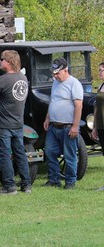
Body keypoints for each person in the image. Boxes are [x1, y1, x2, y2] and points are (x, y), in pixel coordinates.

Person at [0, 50, 31, 195]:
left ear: (9, 62)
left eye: (2, 59)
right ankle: (26, 184)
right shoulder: (22, 78)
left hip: (4, 124)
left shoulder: (3, 80)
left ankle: (9, 186)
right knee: (20, 154)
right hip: (18, 122)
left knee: (4, 155)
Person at [43, 58, 83, 189]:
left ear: (65, 70)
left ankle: (70, 182)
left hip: (68, 127)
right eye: (53, 73)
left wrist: (75, 126)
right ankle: (54, 179)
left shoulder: (74, 83)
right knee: (49, 152)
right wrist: (47, 118)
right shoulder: (55, 83)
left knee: (69, 156)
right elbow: (53, 101)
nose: (55, 76)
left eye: (57, 73)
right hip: (54, 125)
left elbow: (78, 106)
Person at [91, 62, 104, 154]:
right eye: (99, 70)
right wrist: (94, 127)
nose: (99, 73)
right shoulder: (100, 87)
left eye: (101, 70)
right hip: (100, 125)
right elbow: (96, 107)